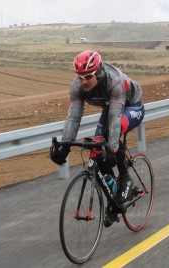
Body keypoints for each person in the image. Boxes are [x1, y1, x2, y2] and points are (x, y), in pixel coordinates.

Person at [50, 50, 144, 225]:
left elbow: (115, 120)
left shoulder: (113, 81)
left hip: (132, 106)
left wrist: (113, 148)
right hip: (111, 108)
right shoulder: (78, 87)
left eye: (88, 76)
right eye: (80, 76)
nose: (84, 81)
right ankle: (114, 197)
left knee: (110, 137)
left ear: (98, 72)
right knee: (97, 149)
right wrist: (65, 147)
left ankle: (125, 179)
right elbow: (73, 117)